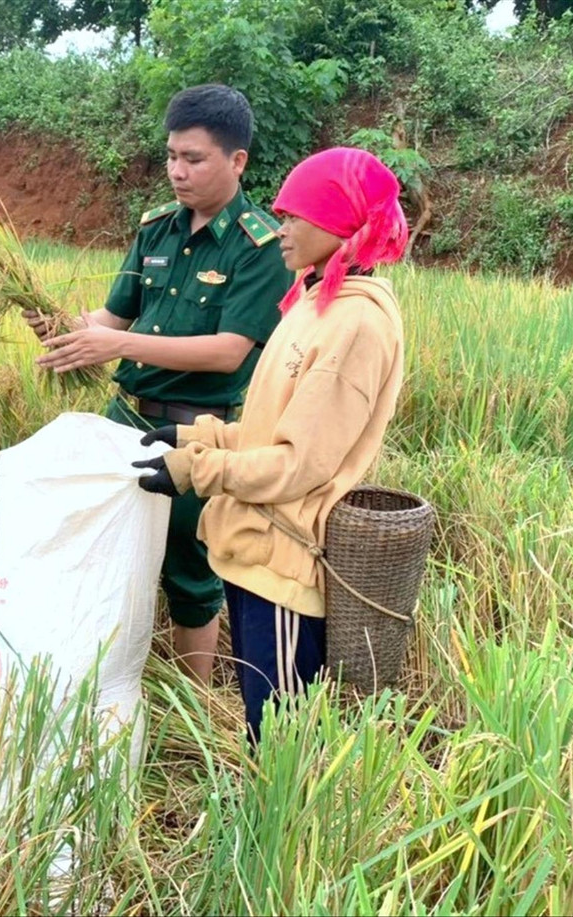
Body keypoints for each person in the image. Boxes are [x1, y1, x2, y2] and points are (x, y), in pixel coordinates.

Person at [131, 146, 409, 744]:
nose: (280, 229)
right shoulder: (316, 302)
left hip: (286, 557)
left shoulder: (355, 323)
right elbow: (269, 430)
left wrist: (195, 469)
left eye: (294, 217)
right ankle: (264, 830)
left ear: (339, 223)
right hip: (253, 547)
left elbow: (297, 466)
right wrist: (197, 434)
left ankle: (284, 834)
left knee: (282, 741)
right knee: (266, 721)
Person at [24, 84, 294, 685]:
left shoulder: (261, 245)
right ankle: (113, 684)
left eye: (193, 158)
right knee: (112, 552)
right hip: (125, 419)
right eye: (171, 156)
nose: (177, 170)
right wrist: (62, 326)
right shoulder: (155, 230)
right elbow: (111, 319)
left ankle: (193, 703)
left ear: (236, 161)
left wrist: (114, 344)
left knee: (189, 571)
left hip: (198, 428)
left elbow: (228, 352)